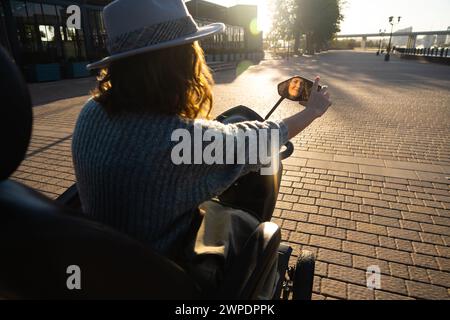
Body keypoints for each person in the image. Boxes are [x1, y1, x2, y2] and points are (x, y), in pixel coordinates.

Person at [72, 0, 331, 288]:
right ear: (180, 62)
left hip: (104, 262)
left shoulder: (90, 113)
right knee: (249, 227)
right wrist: (312, 111)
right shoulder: (180, 138)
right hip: (164, 275)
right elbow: (262, 138)